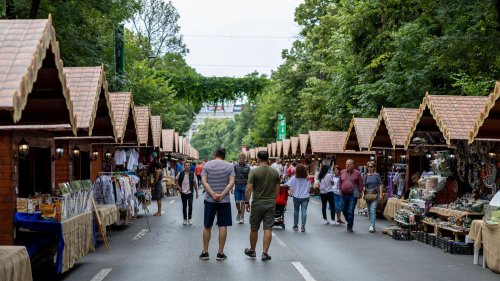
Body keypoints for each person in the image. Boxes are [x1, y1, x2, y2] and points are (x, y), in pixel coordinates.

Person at [200, 148, 235, 261]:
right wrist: (222, 194)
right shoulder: (230, 166)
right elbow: (231, 182)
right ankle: (220, 253)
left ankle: (205, 252)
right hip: (224, 201)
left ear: (214, 154)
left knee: (207, 226)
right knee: (222, 226)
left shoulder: (207, 165)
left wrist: (212, 193)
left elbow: (204, 181)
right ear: (224, 155)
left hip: (210, 200)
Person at [244, 151, 280, 261]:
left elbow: (249, 188)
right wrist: (272, 199)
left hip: (257, 203)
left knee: (254, 228)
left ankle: (252, 250)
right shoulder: (275, 172)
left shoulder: (254, 172)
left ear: (258, 158)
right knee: (268, 228)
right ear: (267, 158)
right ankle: (265, 253)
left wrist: (246, 202)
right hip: (270, 203)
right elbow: (278, 189)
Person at [339, 159, 365, 233]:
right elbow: (340, 182)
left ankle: (350, 226)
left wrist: (360, 192)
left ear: (353, 165)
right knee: (343, 209)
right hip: (344, 194)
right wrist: (340, 190)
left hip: (353, 195)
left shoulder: (357, 173)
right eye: (346, 164)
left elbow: (361, 184)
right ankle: (349, 220)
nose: (346, 165)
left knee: (351, 210)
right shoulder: (342, 172)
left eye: (349, 164)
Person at [285, 164, 311, 232]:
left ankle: (295, 225)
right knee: (304, 211)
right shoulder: (307, 178)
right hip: (305, 197)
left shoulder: (294, 178)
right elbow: (309, 188)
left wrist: (279, 185)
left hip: (296, 197)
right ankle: (303, 226)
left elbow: (287, 184)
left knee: (296, 210)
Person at [364, 161, 383, 233]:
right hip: (368, 195)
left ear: (374, 167)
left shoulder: (377, 175)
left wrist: (381, 194)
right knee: (369, 210)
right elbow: (364, 184)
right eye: (368, 166)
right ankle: (373, 226)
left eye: (371, 166)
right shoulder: (366, 175)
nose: (369, 168)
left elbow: (380, 184)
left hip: (375, 195)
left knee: (373, 209)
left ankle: (371, 225)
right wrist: (363, 190)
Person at [233, 152, 250, 224]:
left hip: (244, 186)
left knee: (243, 202)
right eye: (241, 157)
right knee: (237, 202)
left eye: (243, 157)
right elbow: (233, 176)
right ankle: (239, 212)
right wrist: (231, 187)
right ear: (239, 158)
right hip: (237, 185)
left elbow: (249, 177)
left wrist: (249, 186)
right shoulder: (235, 166)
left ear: (245, 158)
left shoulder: (248, 167)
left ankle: (242, 217)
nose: (242, 159)